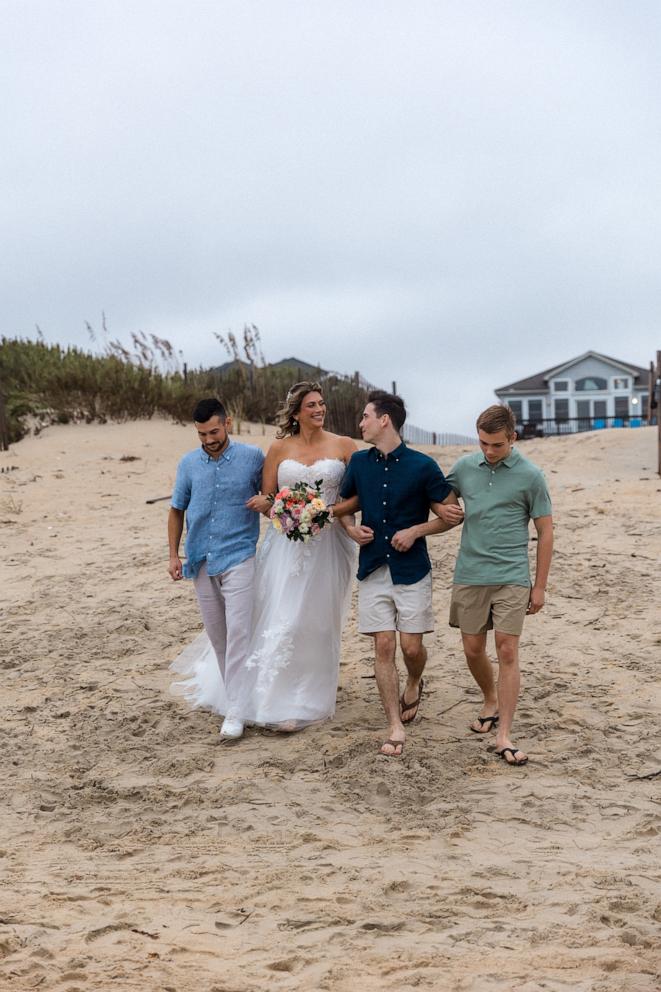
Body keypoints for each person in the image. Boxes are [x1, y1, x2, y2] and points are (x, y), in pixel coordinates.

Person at [173, 381, 357, 735]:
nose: (319, 410)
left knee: (319, 620)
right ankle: (276, 697)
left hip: (328, 546)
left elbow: (355, 495)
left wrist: (333, 517)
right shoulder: (276, 449)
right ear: (296, 412)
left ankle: (310, 694)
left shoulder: (344, 445)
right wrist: (281, 509)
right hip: (286, 544)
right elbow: (268, 499)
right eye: (311, 405)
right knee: (284, 617)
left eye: (322, 404)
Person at [334, 390, 463, 757]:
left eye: (365, 417)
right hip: (373, 566)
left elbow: (452, 515)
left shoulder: (423, 466)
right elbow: (344, 507)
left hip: (413, 569)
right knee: (384, 644)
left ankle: (416, 679)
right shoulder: (358, 462)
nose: (361, 424)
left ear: (384, 419)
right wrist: (350, 529)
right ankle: (393, 725)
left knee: (410, 646)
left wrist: (416, 530)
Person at [446, 404, 553, 766]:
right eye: (483, 444)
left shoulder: (531, 475)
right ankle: (489, 697)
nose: (489, 452)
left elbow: (545, 531)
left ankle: (503, 733)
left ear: (513, 438)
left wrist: (539, 586)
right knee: (473, 650)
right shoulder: (463, 468)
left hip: (511, 575)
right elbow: (441, 500)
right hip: (470, 573)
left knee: (507, 650)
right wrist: (439, 511)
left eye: (496, 445)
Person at [168, 397, 265, 740]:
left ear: (228, 423)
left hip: (239, 555)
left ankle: (236, 711)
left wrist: (267, 502)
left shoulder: (253, 458)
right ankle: (234, 698)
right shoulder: (188, 464)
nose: (208, 440)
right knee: (218, 636)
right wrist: (173, 555)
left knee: (239, 632)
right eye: (201, 434)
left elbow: (272, 496)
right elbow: (177, 509)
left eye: (213, 431)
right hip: (200, 560)